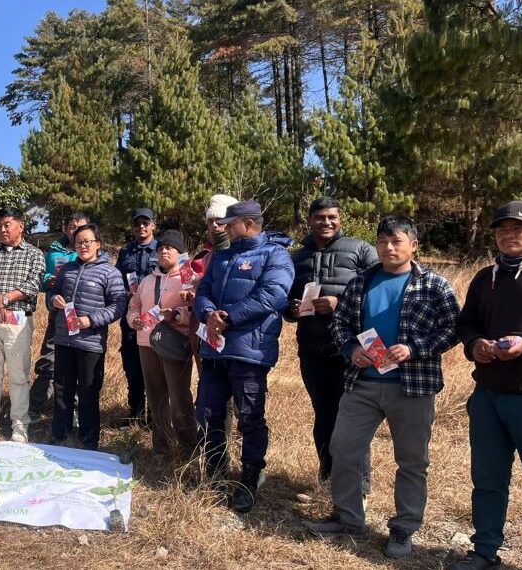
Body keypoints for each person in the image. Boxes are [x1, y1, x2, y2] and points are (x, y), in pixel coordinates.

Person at [307, 216, 459, 561]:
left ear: (413, 246)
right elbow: (341, 326)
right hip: (361, 384)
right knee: (343, 449)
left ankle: (404, 528)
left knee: (411, 462)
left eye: (397, 242)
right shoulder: (361, 283)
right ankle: (348, 519)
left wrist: (414, 348)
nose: (389, 248)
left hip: (412, 388)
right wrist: (351, 349)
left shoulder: (435, 285)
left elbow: (452, 330)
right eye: (383, 242)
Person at [452, 201, 522, 570]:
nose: (508, 235)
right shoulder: (485, 277)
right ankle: (484, 552)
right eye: (501, 229)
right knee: (487, 481)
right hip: (488, 396)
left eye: (518, 227)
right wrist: (475, 344)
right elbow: (466, 324)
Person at [194, 199, 294, 513]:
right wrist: (209, 314)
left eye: (230, 222)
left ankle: (249, 479)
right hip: (214, 349)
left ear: (248, 223)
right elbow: (202, 293)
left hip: (249, 352)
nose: (223, 227)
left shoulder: (275, 255)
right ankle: (214, 474)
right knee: (209, 413)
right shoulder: (221, 256)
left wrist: (230, 317)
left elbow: (273, 295)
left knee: (249, 418)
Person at [286, 197, 378, 482]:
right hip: (312, 348)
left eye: (331, 217)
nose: (326, 222)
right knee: (323, 415)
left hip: (351, 348)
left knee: (351, 418)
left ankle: (358, 485)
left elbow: (380, 292)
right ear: (309, 220)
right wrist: (291, 309)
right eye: (319, 217)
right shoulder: (296, 258)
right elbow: (285, 302)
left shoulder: (361, 250)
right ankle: (328, 479)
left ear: (340, 219)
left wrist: (340, 303)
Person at [0, 207, 45, 443]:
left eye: (7, 224)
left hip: (18, 322)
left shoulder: (34, 254)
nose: (2, 229)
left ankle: (19, 424)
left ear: (20, 226)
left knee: (18, 376)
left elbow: (33, 284)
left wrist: (4, 299)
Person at [50, 224, 126, 450]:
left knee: (88, 392)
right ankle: (60, 436)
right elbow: (53, 294)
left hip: (91, 343)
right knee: (62, 389)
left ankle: (89, 440)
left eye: (87, 242)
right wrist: (53, 300)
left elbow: (118, 305)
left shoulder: (110, 272)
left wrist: (91, 320)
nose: (83, 246)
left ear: (98, 244)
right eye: (79, 242)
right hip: (64, 339)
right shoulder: (67, 269)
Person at [127, 229, 197, 456]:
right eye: (160, 248)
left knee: (179, 398)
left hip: (175, 344)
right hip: (146, 343)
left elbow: (195, 310)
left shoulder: (189, 279)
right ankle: (162, 446)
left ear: (180, 252)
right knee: (156, 397)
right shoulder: (147, 280)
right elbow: (134, 305)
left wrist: (176, 315)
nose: (164, 251)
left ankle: (187, 447)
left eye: (169, 248)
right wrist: (133, 320)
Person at [29, 212, 88, 423]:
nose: (76, 230)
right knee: (48, 362)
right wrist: (49, 279)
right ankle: (34, 408)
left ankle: (75, 412)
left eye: (80, 226)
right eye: (72, 226)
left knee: (80, 366)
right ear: (65, 228)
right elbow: (42, 280)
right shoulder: (53, 252)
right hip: (58, 317)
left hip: (84, 319)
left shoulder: (91, 251)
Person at [116, 208, 159, 422]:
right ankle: (136, 414)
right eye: (137, 223)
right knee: (132, 366)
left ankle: (155, 416)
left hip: (157, 320)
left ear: (153, 225)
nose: (141, 227)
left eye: (145, 223)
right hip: (131, 317)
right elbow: (116, 280)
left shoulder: (164, 249)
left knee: (155, 368)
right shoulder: (126, 252)